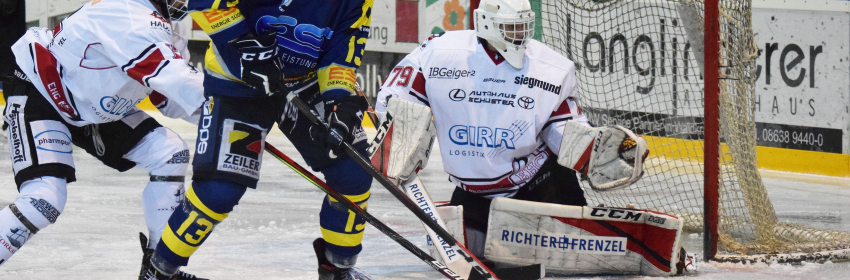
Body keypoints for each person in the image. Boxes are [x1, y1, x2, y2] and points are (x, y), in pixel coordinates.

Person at [375, 0, 648, 264]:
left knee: (571, 257)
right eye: (511, 27)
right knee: (469, 252)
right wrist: (399, 126)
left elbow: (562, 128)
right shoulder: (440, 53)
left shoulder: (551, 67)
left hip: (540, 185)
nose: (520, 35)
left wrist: (596, 152)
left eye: (524, 27)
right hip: (474, 194)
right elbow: (397, 91)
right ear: (486, 23)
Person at [144, 0, 376, 279]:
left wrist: (340, 100)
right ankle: (159, 271)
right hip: (237, 80)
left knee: (352, 171)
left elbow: (343, 43)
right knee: (218, 191)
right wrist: (243, 46)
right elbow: (207, 3)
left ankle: (337, 269)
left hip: (305, 83)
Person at [1, 0, 206, 279]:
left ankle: (160, 272)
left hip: (89, 104)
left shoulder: (167, 25)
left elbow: (168, 97)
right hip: (42, 89)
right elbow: (171, 76)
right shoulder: (127, 13)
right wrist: (232, 113)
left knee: (169, 152)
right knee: (43, 198)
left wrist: (223, 120)